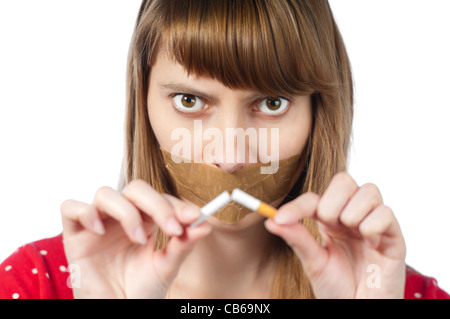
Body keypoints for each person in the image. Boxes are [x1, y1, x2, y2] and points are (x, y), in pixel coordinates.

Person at [0, 0, 448, 299]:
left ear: (319, 113)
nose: (230, 155)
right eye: (190, 101)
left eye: (271, 103)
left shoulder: (387, 289)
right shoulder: (40, 282)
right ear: (143, 103)